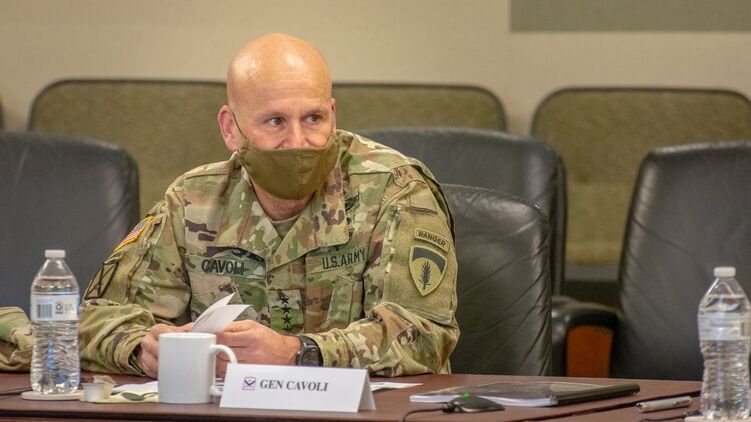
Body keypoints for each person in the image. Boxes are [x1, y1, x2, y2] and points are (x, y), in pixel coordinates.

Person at [79, 33, 459, 378]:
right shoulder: (193, 201)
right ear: (230, 129)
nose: (297, 141)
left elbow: (425, 332)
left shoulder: (394, 190)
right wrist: (141, 350)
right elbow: (94, 319)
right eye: (275, 121)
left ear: (333, 114)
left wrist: (299, 353)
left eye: (313, 118)